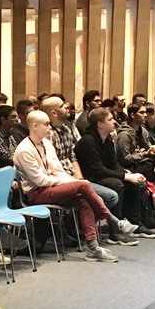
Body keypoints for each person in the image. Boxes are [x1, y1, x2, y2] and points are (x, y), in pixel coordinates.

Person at [13, 111, 139, 263]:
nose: (49, 127)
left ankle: (93, 248)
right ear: (34, 126)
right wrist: (73, 183)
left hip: (52, 188)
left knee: (83, 201)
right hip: (37, 193)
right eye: (46, 124)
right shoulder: (24, 150)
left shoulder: (46, 144)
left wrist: (72, 181)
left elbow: (58, 170)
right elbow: (40, 180)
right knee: (83, 187)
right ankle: (114, 221)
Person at [77, 108, 155, 239]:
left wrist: (125, 172)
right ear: (100, 124)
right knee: (117, 184)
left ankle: (135, 223)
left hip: (104, 175)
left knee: (138, 184)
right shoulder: (88, 141)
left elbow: (113, 163)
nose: (114, 121)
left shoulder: (107, 139)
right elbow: (97, 170)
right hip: (91, 178)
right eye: (110, 119)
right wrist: (125, 176)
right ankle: (115, 231)